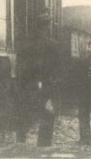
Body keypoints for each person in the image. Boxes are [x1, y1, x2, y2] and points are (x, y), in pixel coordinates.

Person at [16, 9, 59, 147]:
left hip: (29, 83)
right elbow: (57, 68)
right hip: (46, 84)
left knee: (25, 110)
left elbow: (21, 64)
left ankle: (21, 140)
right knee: (48, 113)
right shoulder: (53, 44)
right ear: (48, 26)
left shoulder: (26, 43)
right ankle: (44, 144)